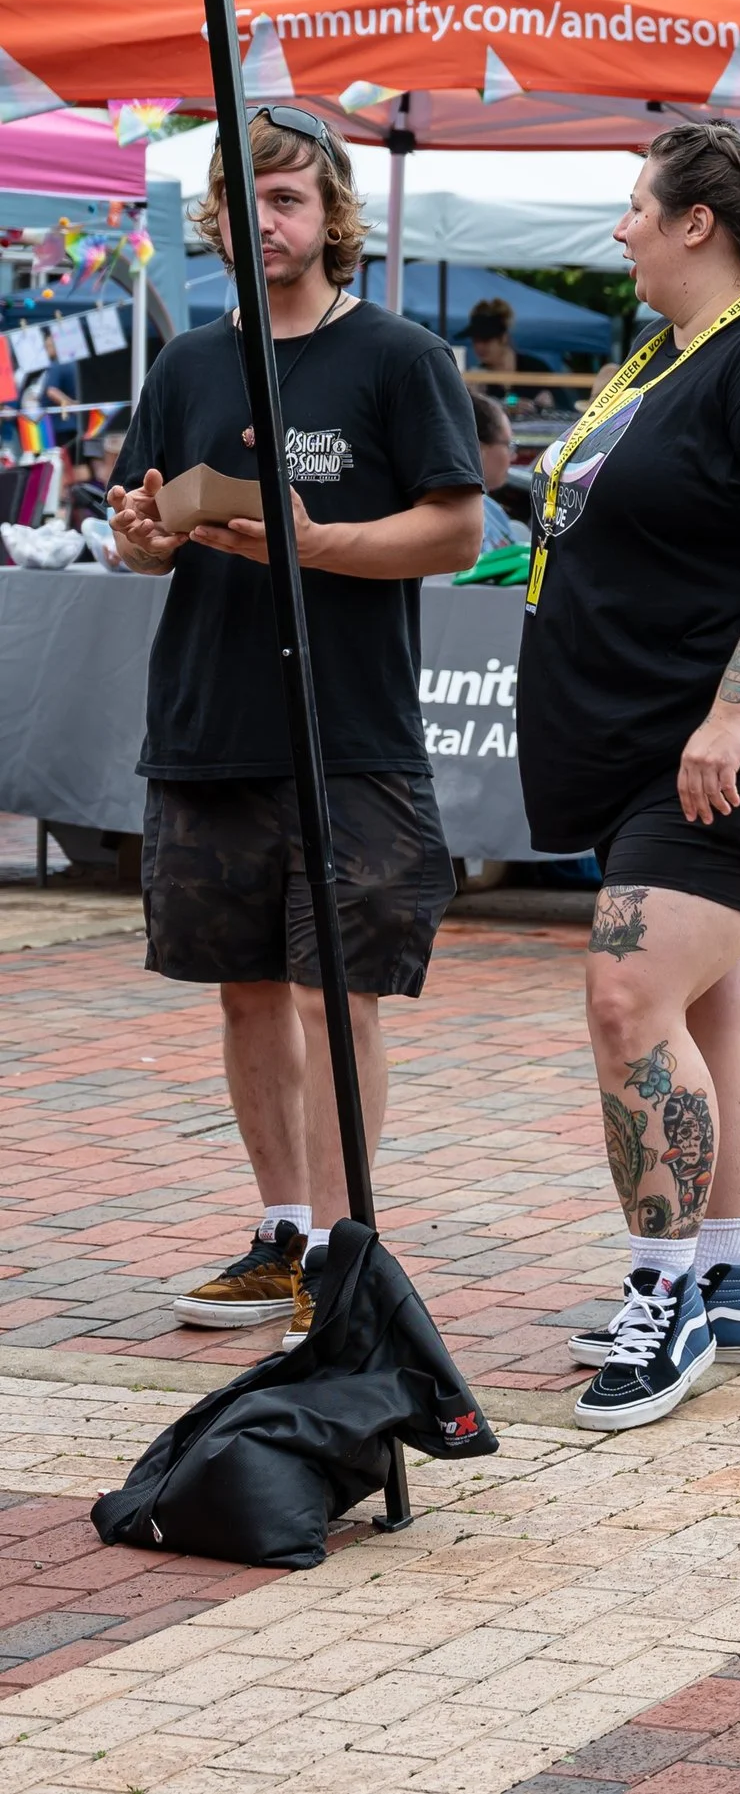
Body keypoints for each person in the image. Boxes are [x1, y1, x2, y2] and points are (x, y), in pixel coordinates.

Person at [106, 105, 483, 1348]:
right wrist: (140, 539)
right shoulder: (186, 364)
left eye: (289, 199)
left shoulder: (399, 356)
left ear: (333, 216)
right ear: (215, 215)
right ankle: (280, 1232)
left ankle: (342, 1247)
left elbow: (458, 529)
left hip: (350, 731)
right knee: (246, 994)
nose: (266, 223)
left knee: (339, 996)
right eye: (245, 201)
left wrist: (319, 543)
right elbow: (152, 544)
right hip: (208, 719)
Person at [517, 121, 740, 1431]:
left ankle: (661, 1292)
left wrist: (732, 714)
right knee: (714, 1013)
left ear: (695, 225)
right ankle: (729, 1273)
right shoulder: (675, 355)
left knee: (628, 989)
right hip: (654, 732)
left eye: (633, 208)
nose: (619, 229)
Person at [462, 297, 553, 412]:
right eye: (475, 341)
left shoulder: (535, 368)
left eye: (486, 340)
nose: (479, 347)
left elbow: (566, 406)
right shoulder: (478, 377)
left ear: (503, 338)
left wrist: (550, 402)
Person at [473, 393, 525, 554]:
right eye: (508, 445)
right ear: (479, 449)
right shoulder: (479, 512)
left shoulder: (491, 509)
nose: (513, 456)